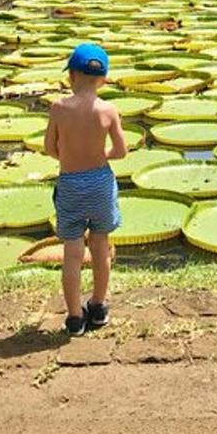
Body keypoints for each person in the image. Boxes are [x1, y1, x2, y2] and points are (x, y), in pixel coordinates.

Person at [42, 43, 128, 336]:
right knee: (101, 246)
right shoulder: (108, 109)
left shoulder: (58, 108)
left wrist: (67, 157)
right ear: (103, 79)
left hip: (70, 183)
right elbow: (121, 150)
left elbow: (49, 148)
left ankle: (75, 317)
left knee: (73, 252)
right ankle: (99, 305)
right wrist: (101, 156)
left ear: (72, 76)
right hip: (101, 182)